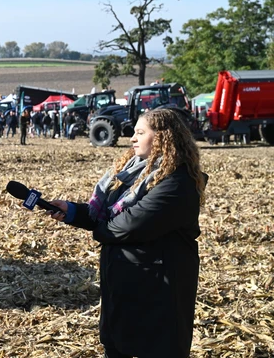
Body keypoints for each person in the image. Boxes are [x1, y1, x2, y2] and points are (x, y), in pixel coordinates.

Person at [47, 109, 207, 358]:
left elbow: (128, 224)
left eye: (140, 132)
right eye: (134, 132)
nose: (132, 138)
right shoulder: (132, 173)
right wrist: (71, 211)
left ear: (163, 137)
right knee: (118, 346)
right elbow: (106, 214)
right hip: (125, 286)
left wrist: (97, 230)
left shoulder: (177, 182)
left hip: (158, 293)